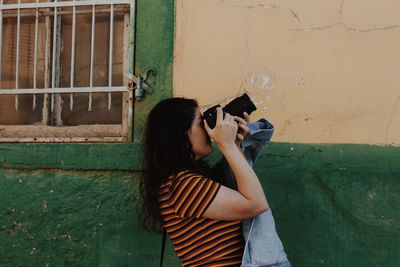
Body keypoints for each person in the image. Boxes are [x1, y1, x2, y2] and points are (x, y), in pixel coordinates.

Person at [140, 97, 271, 266]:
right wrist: (228, 146)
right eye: (201, 123)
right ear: (180, 133)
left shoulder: (185, 181)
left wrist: (235, 145)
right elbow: (257, 205)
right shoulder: (184, 185)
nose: (208, 129)